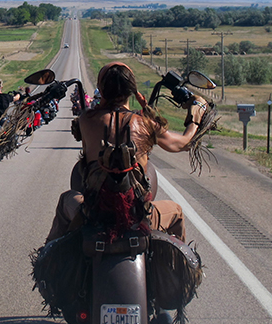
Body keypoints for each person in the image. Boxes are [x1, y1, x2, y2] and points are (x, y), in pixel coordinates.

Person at [45, 61, 208, 243]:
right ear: (131, 90)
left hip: (93, 213)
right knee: (176, 212)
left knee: (65, 199)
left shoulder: (86, 120)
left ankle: (48, 261)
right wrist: (196, 114)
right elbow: (183, 143)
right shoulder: (147, 124)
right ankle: (177, 269)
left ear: (101, 88)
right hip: (138, 214)